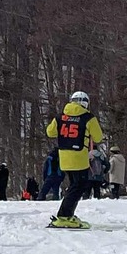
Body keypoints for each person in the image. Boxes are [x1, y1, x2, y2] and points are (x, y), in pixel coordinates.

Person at [44, 91, 106, 227]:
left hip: (64, 157)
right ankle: (64, 216)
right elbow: (98, 137)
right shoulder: (88, 117)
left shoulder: (60, 117)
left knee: (75, 185)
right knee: (79, 186)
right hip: (79, 157)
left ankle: (67, 213)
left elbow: (50, 132)